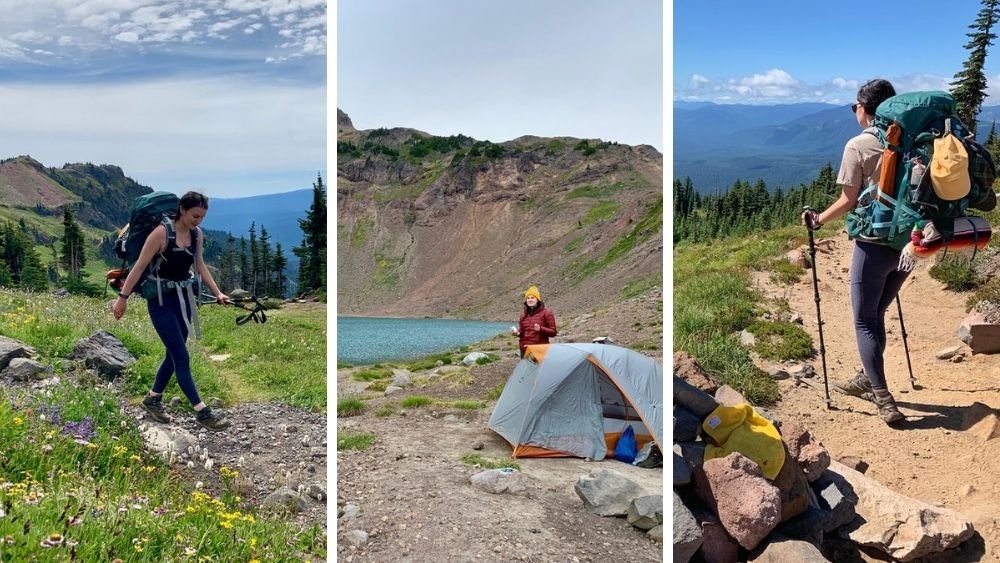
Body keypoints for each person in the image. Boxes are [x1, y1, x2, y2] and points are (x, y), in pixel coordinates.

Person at [801, 78, 905, 425]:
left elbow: (848, 200)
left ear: (864, 108)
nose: (854, 112)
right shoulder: (910, 139)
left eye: (854, 107)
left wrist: (818, 220)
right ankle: (866, 377)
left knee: (864, 320)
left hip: (874, 244)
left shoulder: (858, 145)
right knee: (877, 314)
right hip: (909, 245)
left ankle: (882, 397)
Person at [112, 191, 231, 430]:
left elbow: (199, 265)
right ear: (182, 210)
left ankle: (152, 399)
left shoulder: (197, 235)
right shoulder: (161, 234)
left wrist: (218, 292)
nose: (199, 220)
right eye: (195, 215)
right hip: (160, 302)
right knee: (181, 357)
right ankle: (202, 412)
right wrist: (122, 298)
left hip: (183, 299)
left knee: (173, 355)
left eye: (202, 217)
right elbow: (139, 267)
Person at [511, 286, 558, 358]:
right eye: (528, 298)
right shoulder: (523, 315)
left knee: (539, 366)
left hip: (539, 350)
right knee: (525, 366)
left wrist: (541, 329)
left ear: (537, 299)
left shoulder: (547, 313)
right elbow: (522, 331)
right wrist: (518, 333)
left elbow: (553, 332)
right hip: (524, 349)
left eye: (532, 298)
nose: (530, 300)